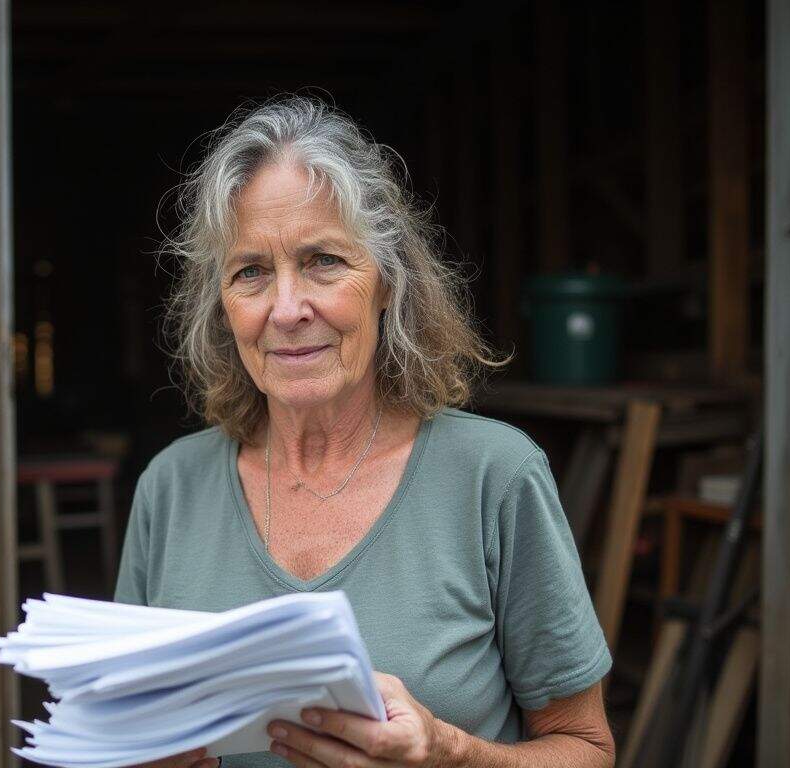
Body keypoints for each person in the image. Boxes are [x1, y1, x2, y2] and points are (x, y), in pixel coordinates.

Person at [114, 95, 614, 768]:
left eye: (323, 260)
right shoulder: (171, 487)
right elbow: (121, 727)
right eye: (251, 272)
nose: (287, 309)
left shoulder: (493, 475)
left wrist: (451, 753)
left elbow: (586, 748)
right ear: (223, 305)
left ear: (386, 283)